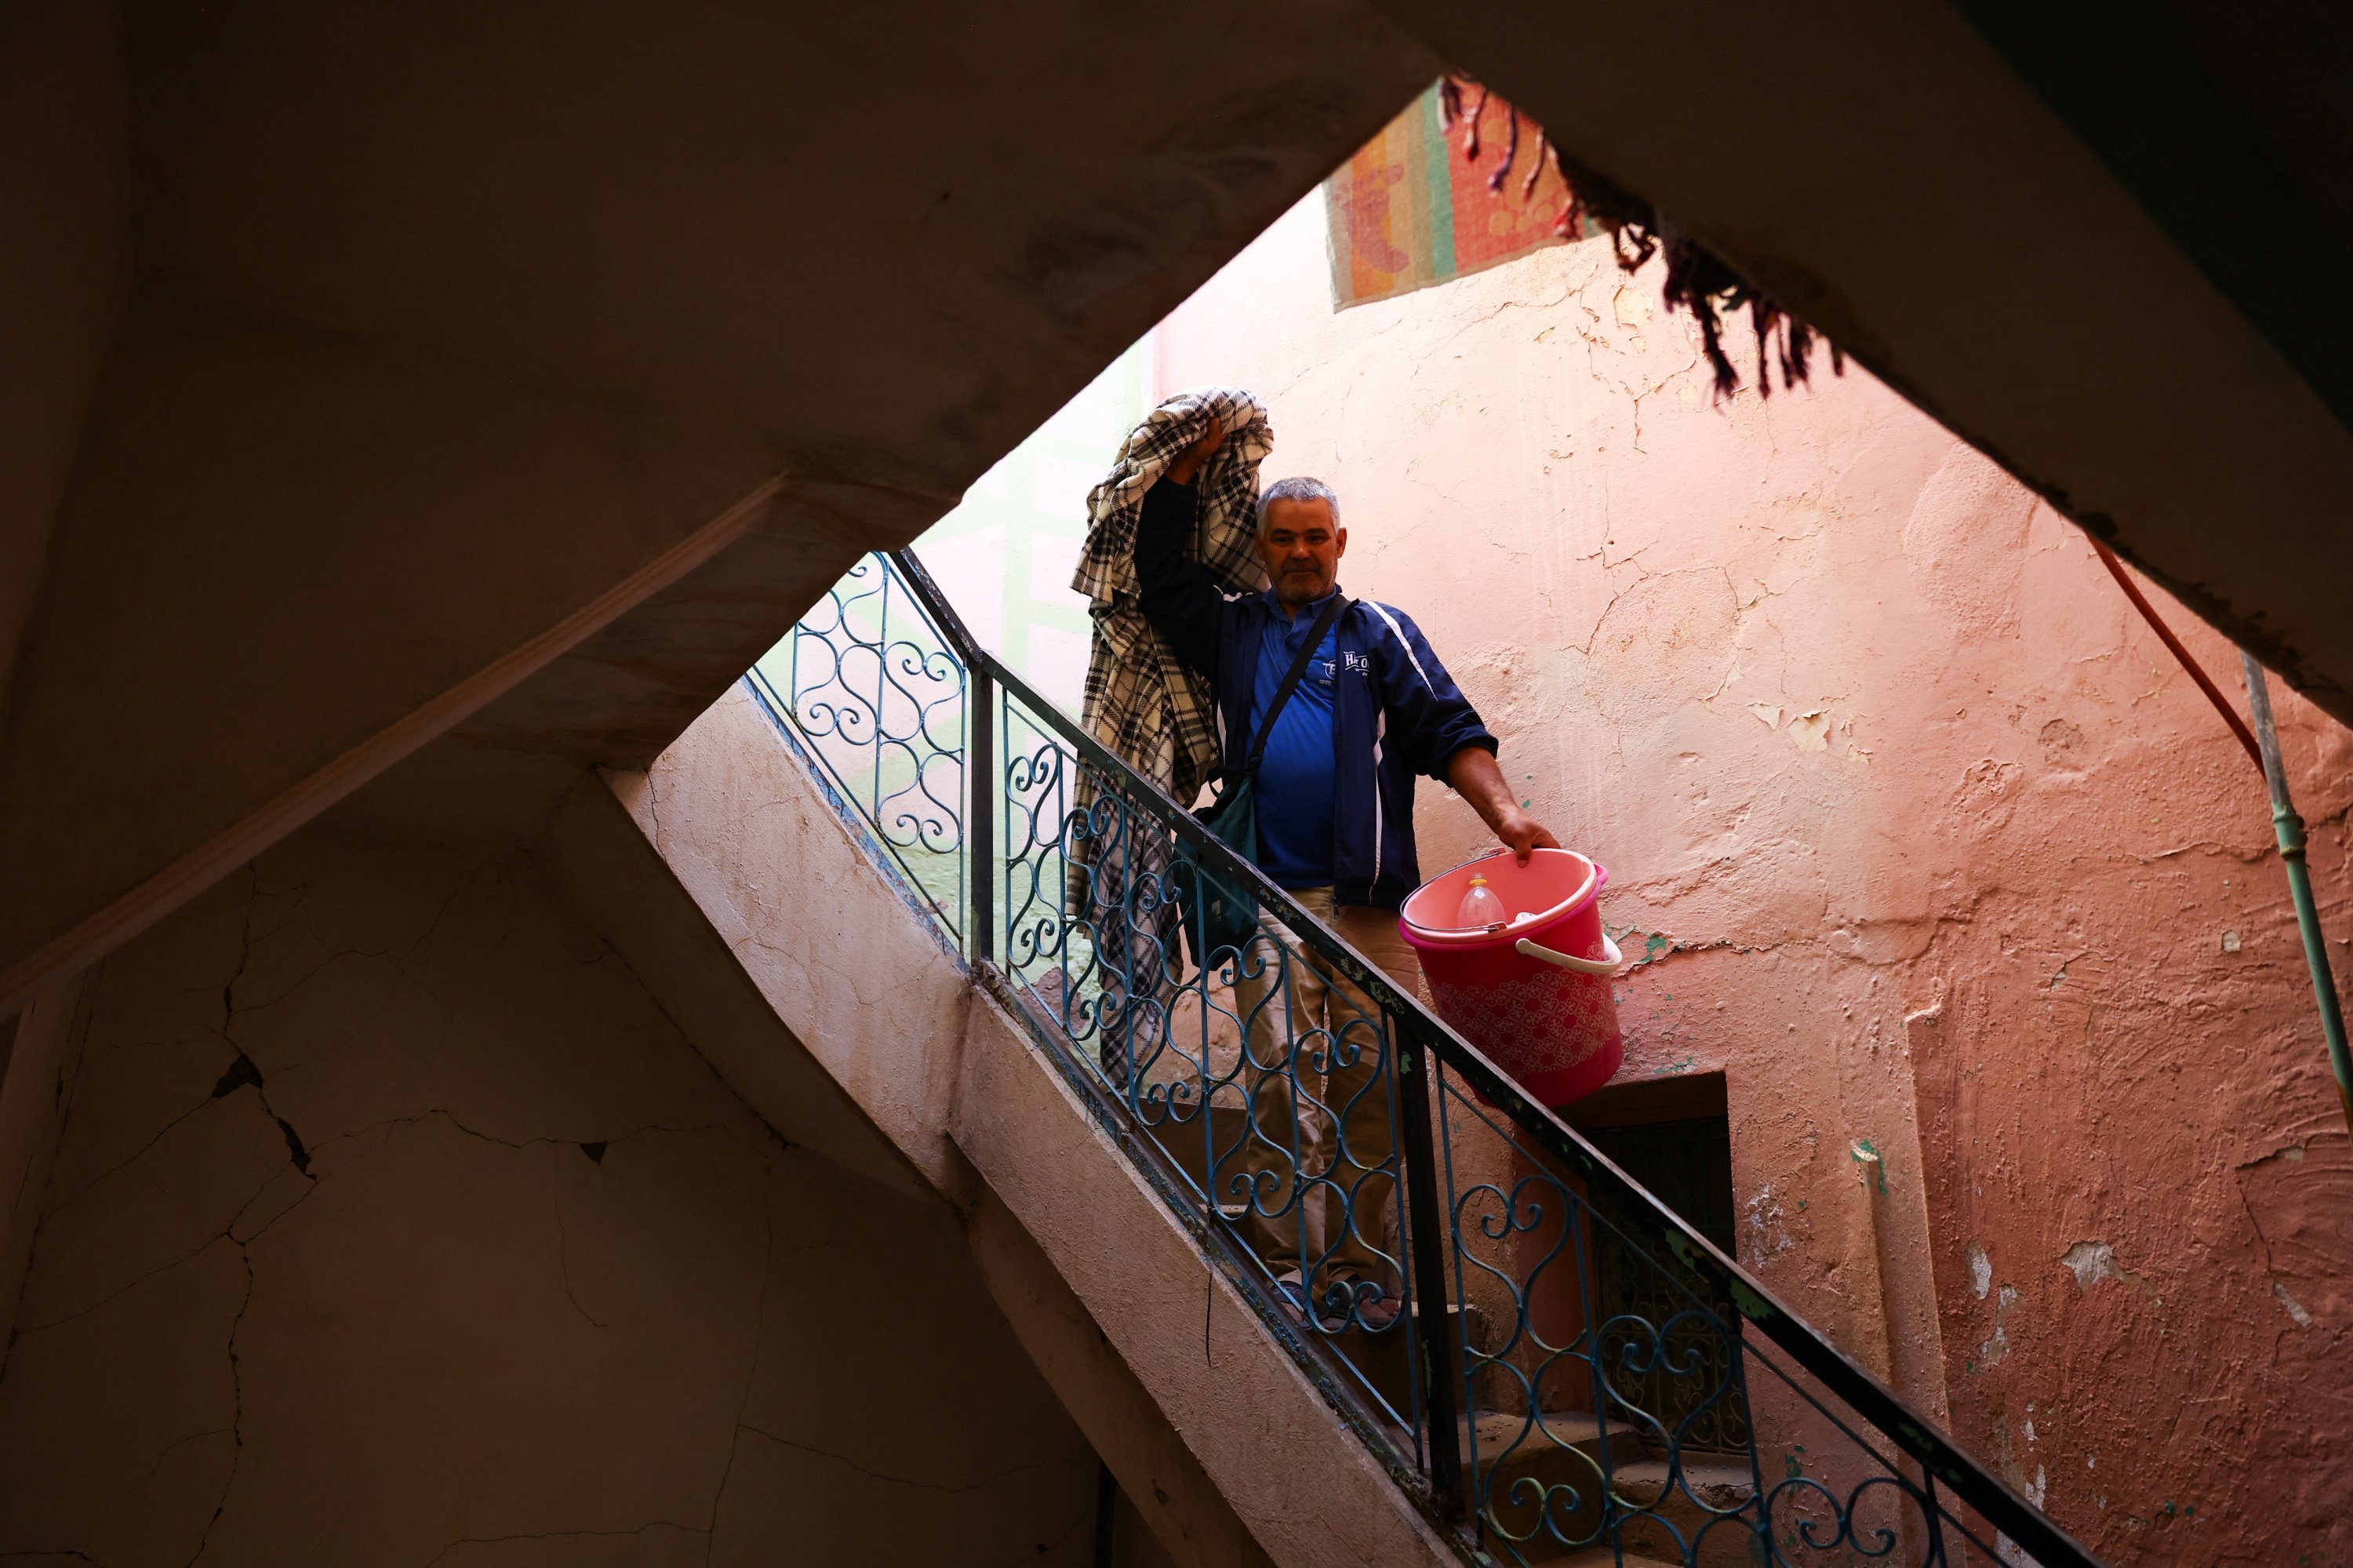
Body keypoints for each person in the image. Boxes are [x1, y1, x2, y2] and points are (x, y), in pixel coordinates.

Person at [1136, 431, 1558, 1326]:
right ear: (1263, 544)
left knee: (1372, 1084)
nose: (1298, 551)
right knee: (1283, 1074)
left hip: (1368, 904)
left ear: (1340, 541)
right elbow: (1161, 578)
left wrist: (1508, 817)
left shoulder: (1379, 632)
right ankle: (1293, 1261)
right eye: (1282, 537)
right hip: (1268, 897)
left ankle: (1357, 1268)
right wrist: (1181, 466)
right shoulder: (1235, 627)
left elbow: (1447, 727)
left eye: (1313, 536)